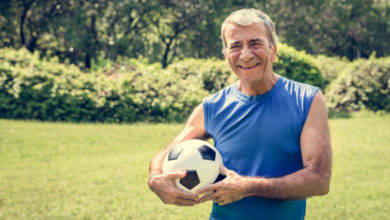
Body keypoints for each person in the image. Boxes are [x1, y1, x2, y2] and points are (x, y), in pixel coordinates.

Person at [148, 8, 332, 220]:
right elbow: (166, 154)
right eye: (235, 46)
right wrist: (155, 178)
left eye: (255, 43)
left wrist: (249, 186)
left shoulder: (306, 99)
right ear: (226, 55)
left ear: (273, 50)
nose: (245, 54)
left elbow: (319, 180)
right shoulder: (212, 107)